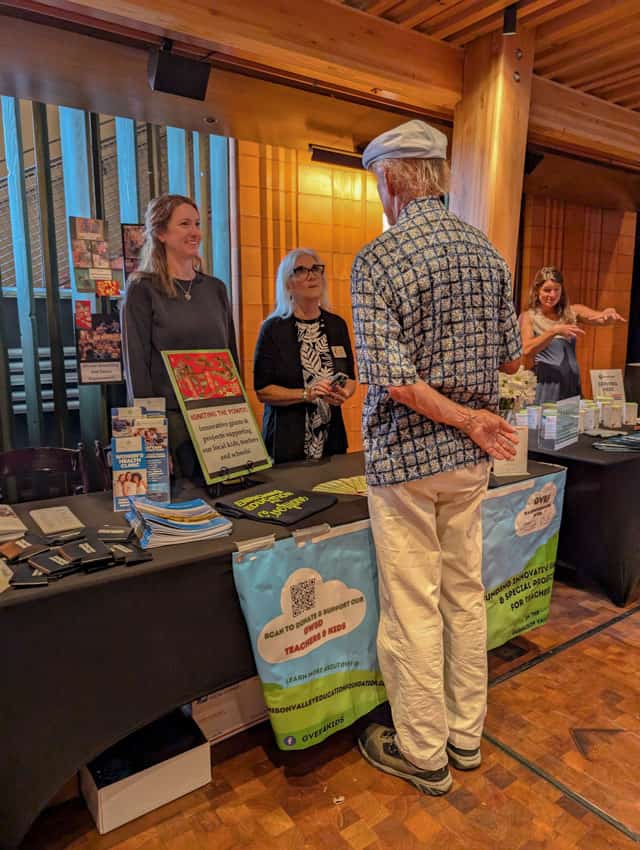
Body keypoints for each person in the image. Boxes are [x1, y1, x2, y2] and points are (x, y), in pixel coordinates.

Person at [351, 120, 522, 795]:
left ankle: (423, 753)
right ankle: (466, 735)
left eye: (378, 185)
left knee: (413, 605)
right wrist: (477, 418)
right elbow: (509, 356)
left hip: (405, 460)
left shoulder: (379, 259)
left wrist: (465, 416)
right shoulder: (488, 253)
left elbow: (393, 379)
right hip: (469, 462)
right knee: (464, 595)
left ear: (392, 179)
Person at [121, 194, 239, 479]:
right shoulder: (142, 289)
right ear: (160, 233)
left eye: (197, 223)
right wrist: (153, 442)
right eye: (184, 224)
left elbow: (230, 360)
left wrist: (240, 422)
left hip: (218, 422)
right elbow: (137, 371)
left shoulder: (216, 288)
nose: (195, 232)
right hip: (172, 424)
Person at [253, 248, 356, 463]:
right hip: (287, 444)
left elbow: (350, 378)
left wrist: (343, 393)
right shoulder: (273, 329)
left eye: (315, 269)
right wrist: (305, 394)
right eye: (301, 270)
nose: (312, 275)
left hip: (332, 441)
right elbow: (263, 391)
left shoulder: (337, 325)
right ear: (288, 283)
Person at [519, 266, 626, 403]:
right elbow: (527, 349)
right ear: (536, 290)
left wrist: (609, 314)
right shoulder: (529, 316)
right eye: (547, 290)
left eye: (556, 290)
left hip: (570, 382)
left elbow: (600, 319)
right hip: (546, 384)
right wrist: (554, 331)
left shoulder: (571, 312)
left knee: (572, 423)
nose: (552, 295)